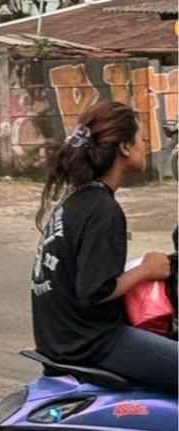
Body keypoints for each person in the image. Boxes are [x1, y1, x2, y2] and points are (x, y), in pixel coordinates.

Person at [32, 100, 176, 392]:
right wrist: (147, 270)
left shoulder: (77, 203)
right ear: (124, 147)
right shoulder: (102, 210)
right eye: (140, 140)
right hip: (93, 343)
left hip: (61, 339)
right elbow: (93, 290)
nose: (144, 147)